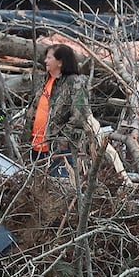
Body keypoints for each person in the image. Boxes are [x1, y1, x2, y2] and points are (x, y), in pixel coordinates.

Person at [29, 43, 92, 178]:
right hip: (36, 148)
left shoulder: (74, 83)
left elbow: (79, 117)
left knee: (58, 190)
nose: (45, 61)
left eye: (50, 58)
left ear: (60, 62)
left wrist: (62, 141)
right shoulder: (44, 81)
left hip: (60, 151)